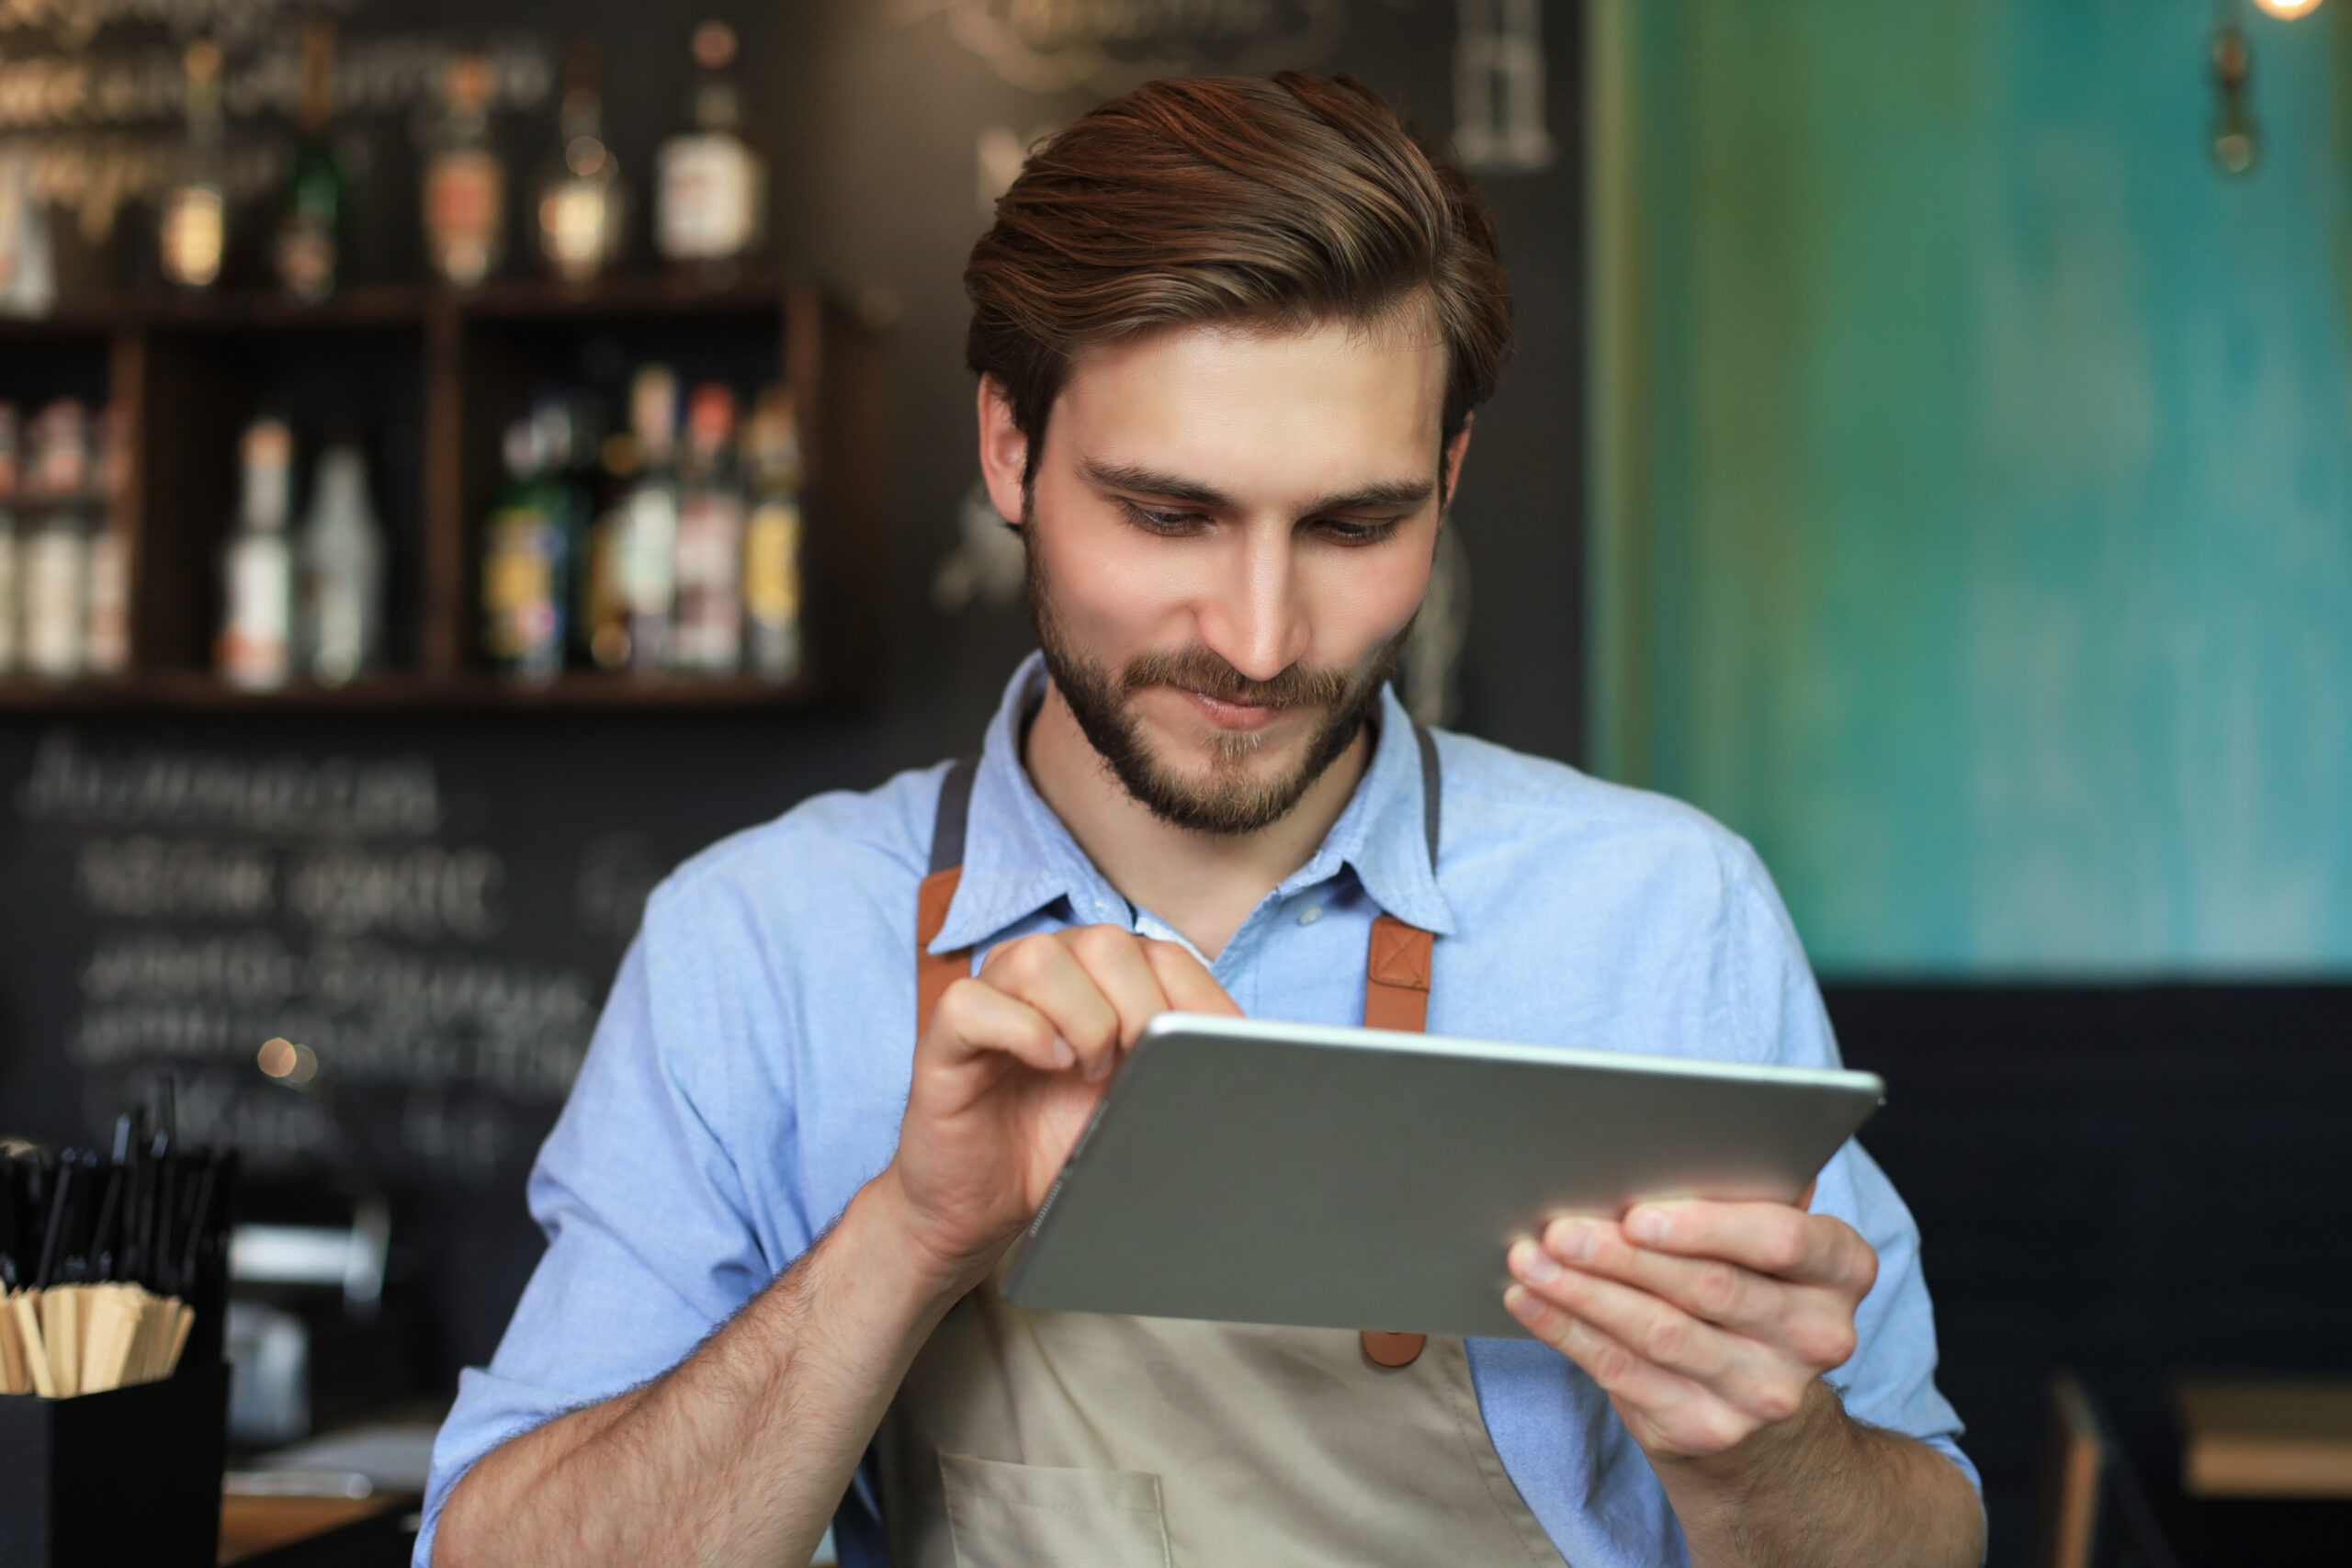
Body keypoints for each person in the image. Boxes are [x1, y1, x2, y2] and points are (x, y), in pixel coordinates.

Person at [421, 73, 1983, 1568]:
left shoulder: (1662, 918)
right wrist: (905, 1239)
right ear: (1009, 449)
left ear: (1447, 478)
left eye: (1354, 525)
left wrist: (1762, 1454)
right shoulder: (754, 945)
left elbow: (1925, 1540)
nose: (1254, 635)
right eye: (1170, 514)